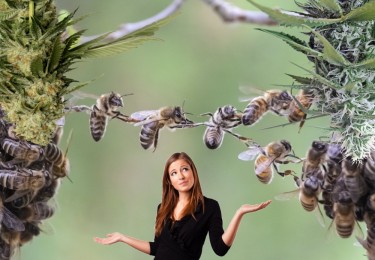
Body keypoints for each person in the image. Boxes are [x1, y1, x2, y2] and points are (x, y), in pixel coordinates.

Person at [94, 152, 271, 259]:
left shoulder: (209, 207)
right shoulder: (162, 208)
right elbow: (159, 249)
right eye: (174, 173)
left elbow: (220, 249)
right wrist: (123, 238)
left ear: (193, 171)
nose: (181, 176)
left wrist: (239, 213)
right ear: (170, 181)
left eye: (185, 169)